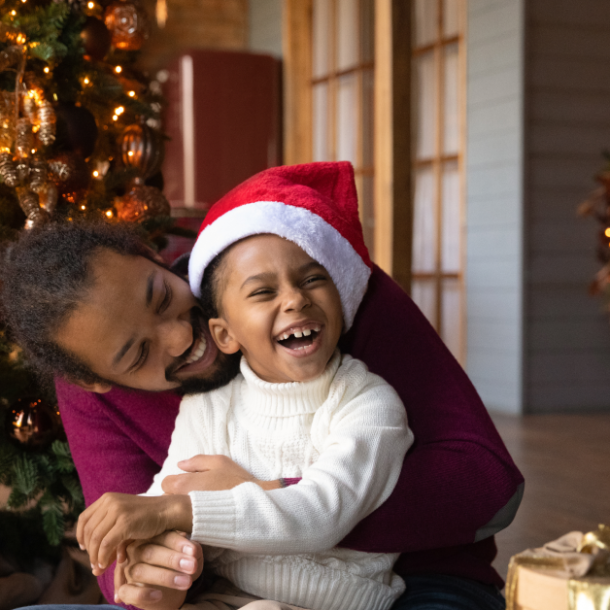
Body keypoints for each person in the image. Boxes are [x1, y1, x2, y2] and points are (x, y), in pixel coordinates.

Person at [2, 162, 523, 610]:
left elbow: (489, 489)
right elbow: (138, 537)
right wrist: (148, 575)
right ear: (92, 380)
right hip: (242, 592)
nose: (185, 336)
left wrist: (258, 492)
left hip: (414, 580)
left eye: (162, 296)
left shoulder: (312, 286)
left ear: (148, 254)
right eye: (139, 354)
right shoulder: (138, 402)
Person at [77, 174, 415, 609]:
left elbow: (323, 513)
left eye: (313, 280)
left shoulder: (369, 403)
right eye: (263, 292)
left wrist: (175, 512)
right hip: (225, 596)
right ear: (224, 333)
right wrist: (148, 564)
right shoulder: (208, 406)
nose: (295, 300)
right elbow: (167, 492)